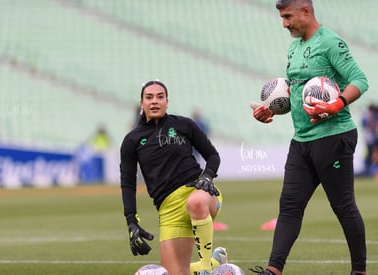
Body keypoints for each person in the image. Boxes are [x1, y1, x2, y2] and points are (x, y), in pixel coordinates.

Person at [250, 1, 368, 274]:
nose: (285, 23)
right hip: (301, 140)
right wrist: (271, 109)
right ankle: (273, 270)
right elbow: (299, 93)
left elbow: (359, 80)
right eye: (282, 17)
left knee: (343, 205)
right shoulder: (294, 47)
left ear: (305, 11)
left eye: (288, 16)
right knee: (289, 206)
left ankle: (359, 271)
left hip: (334, 137)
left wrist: (337, 104)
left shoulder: (330, 42)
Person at [120, 80, 227, 275]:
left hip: (200, 192)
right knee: (175, 273)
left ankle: (205, 268)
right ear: (142, 103)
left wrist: (207, 177)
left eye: (160, 97)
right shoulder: (131, 140)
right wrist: (131, 221)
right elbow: (128, 184)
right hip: (168, 210)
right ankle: (215, 264)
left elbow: (213, 156)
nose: (155, 101)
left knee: (195, 202)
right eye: (149, 97)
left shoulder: (184, 124)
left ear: (167, 102)